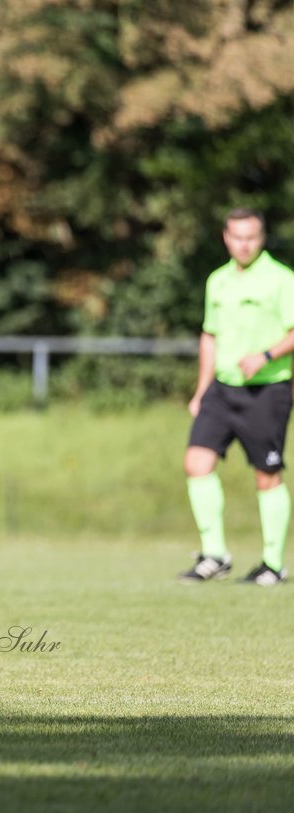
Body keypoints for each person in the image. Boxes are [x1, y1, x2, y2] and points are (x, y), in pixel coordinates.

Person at [180, 208, 294, 586]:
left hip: (266, 390)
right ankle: (214, 555)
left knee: (267, 475)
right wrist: (201, 389)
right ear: (226, 238)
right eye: (237, 237)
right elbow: (209, 335)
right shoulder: (218, 281)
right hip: (221, 390)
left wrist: (265, 355)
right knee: (197, 463)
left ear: (262, 238)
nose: (244, 244)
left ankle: (272, 565)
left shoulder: (281, 279)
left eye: (251, 237)